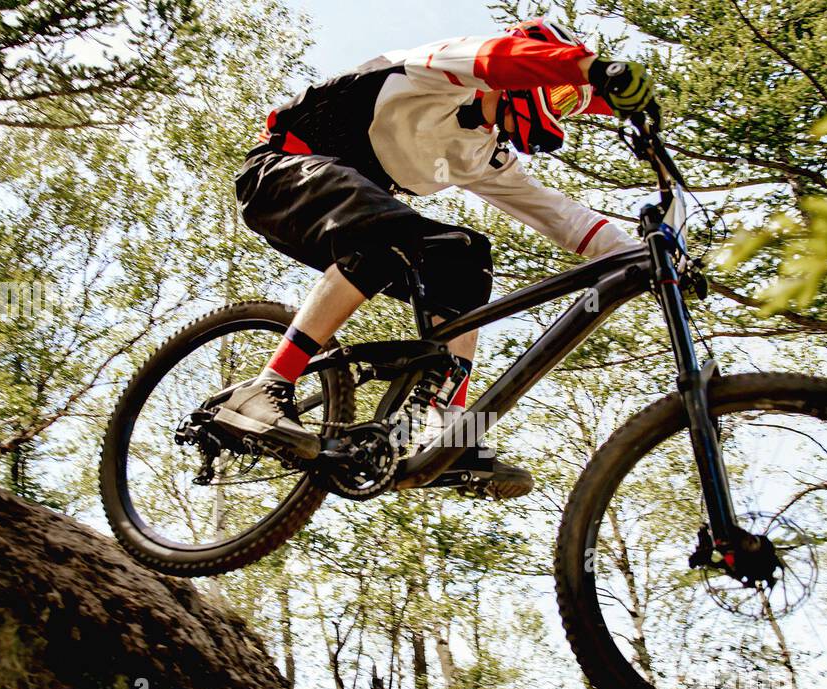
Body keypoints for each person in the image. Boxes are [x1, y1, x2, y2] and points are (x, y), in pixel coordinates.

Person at [219, 18, 655, 498]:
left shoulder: (483, 153)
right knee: (388, 231)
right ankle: (265, 386)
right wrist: (591, 70)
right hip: (279, 174)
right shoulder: (449, 69)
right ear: (530, 74)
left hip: (349, 212)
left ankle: (448, 428)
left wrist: (646, 256)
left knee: (464, 259)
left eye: (568, 103)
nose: (559, 109)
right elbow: (497, 59)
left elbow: (563, 218)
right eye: (556, 95)